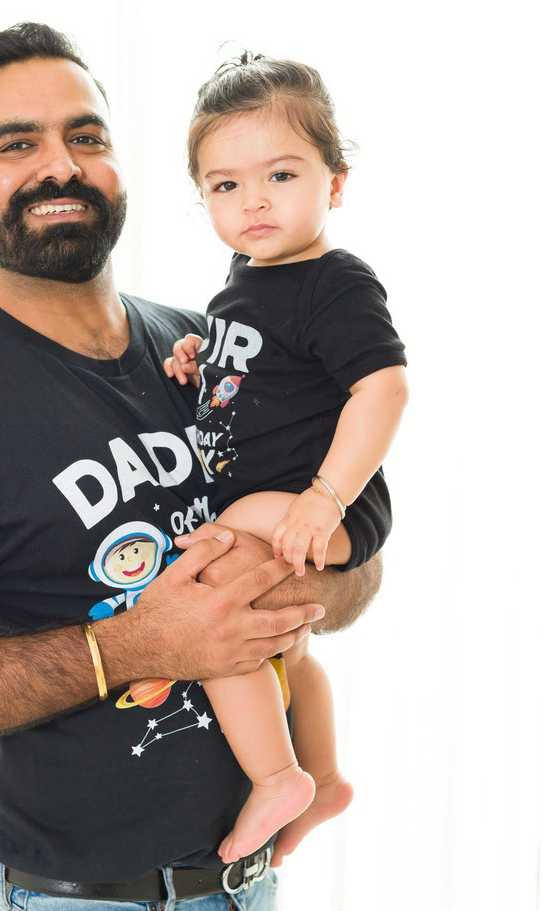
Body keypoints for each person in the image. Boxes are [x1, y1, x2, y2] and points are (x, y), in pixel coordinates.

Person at [0, 23, 383, 911]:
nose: (59, 165)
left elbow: (358, 561)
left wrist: (282, 583)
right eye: (14, 144)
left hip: (244, 906)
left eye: (86, 136)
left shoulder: (206, 350)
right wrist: (136, 642)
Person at [164, 54, 408, 868]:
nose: (253, 200)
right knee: (287, 648)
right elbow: (264, 368)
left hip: (323, 497)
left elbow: (384, 389)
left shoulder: (334, 283)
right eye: (224, 186)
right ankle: (327, 774)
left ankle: (275, 775)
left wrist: (323, 498)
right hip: (294, 495)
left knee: (211, 578)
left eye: (280, 174)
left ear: (334, 183)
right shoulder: (247, 277)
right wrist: (205, 357)